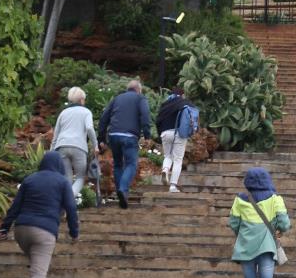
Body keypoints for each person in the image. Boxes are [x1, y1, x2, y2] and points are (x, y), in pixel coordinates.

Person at [0, 150, 79, 278]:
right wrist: (74, 232)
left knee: (37, 267)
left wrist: (4, 227)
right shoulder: (62, 182)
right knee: (38, 274)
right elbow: (71, 208)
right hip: (44, 232)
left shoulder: (30, 179)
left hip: (21, 230)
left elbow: (15, 205)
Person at [228, 166, 291, 278]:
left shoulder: (240, 200)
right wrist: (277, 230)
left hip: (245, 249)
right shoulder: (275, 199)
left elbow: (233, 223)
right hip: (266, 248)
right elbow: (285, 224)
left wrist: (243, 235)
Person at [97, 79, 152, 209]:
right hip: (130, 136)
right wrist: (147, 135)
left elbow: (104, 118)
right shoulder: (140, 98)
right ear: (138, 89)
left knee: (118, 164)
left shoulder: (117, 99)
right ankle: (123, 189)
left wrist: (101, 139)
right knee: (131, 164)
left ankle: (121, 192)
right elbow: (145, 116)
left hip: (114, 135)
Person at [50, 86, 98, 199]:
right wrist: (95, 145)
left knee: (67, 178)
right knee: (80, 178)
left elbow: (56, 134)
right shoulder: (86, 112)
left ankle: (63, 203)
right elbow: (90, 128)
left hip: (61, 146)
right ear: (82, 100)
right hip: (79, 147)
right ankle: (68, 200)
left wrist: (51, 150)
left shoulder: (63, 113)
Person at [155, 84, 195, 193]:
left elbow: (158, 120)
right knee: (178, 160)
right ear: (182, 94)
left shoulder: (165, 104)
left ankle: (165, 169)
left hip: (165, 133)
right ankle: (172, 186)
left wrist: (160, 134)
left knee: (168, 155)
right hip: (179, 133)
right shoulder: (185, 103)